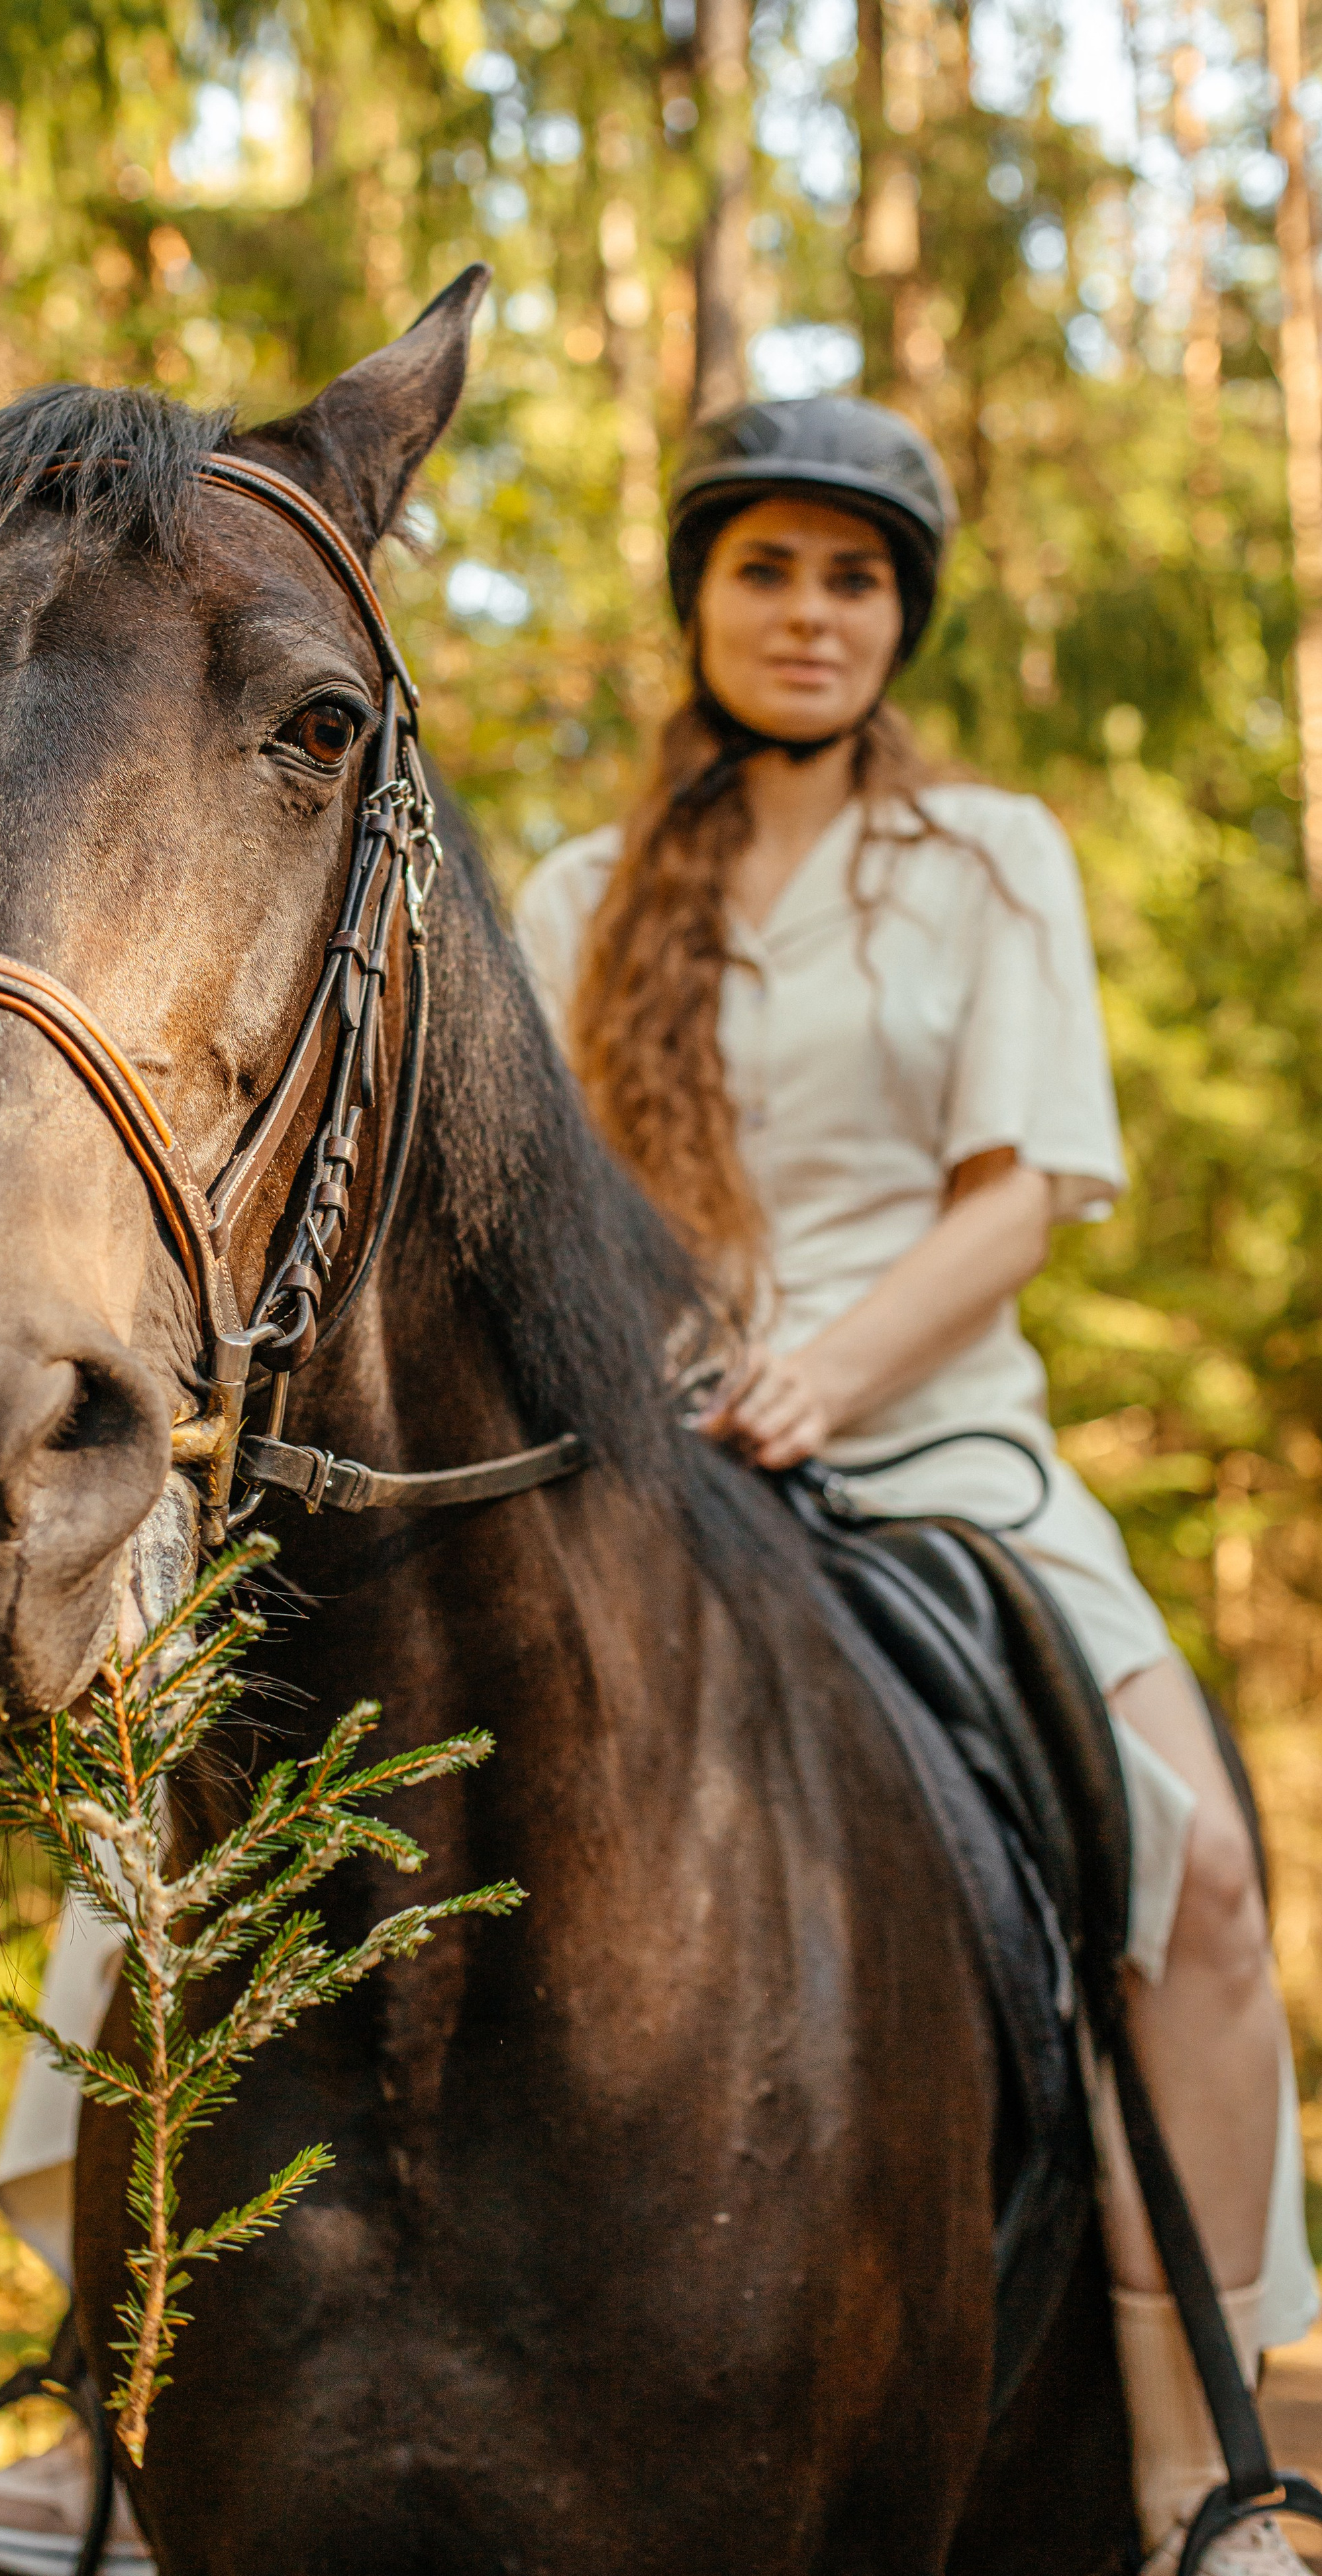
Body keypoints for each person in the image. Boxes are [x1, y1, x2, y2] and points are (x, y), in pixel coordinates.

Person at [512, 392, 1317, 2576]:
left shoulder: (992, 861)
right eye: (766, 567)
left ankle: (1216, 2468)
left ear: (902, 618)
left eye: (851, 576)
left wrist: (825, 1372)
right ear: (700, 596)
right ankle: (109, 2405)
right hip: (642, 1442)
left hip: (939, 1423)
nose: (807, 612)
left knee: (1210, 1885)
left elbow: (1025, 1191)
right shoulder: (576, 893)